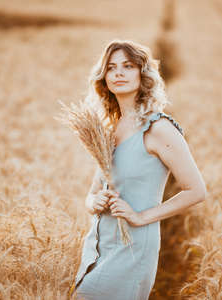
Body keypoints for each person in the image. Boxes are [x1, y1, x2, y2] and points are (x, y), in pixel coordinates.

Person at [70, 39, 207, 300]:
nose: (118, 73)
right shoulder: (107, 131)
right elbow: (91, 195)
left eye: (128, 66)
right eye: (111, 68)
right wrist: (94, 201)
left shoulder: (158, 128)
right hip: (97, 245)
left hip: (132, 248)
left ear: (143, 75)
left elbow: (196, 190)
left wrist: (141, 217)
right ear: (104, 77)